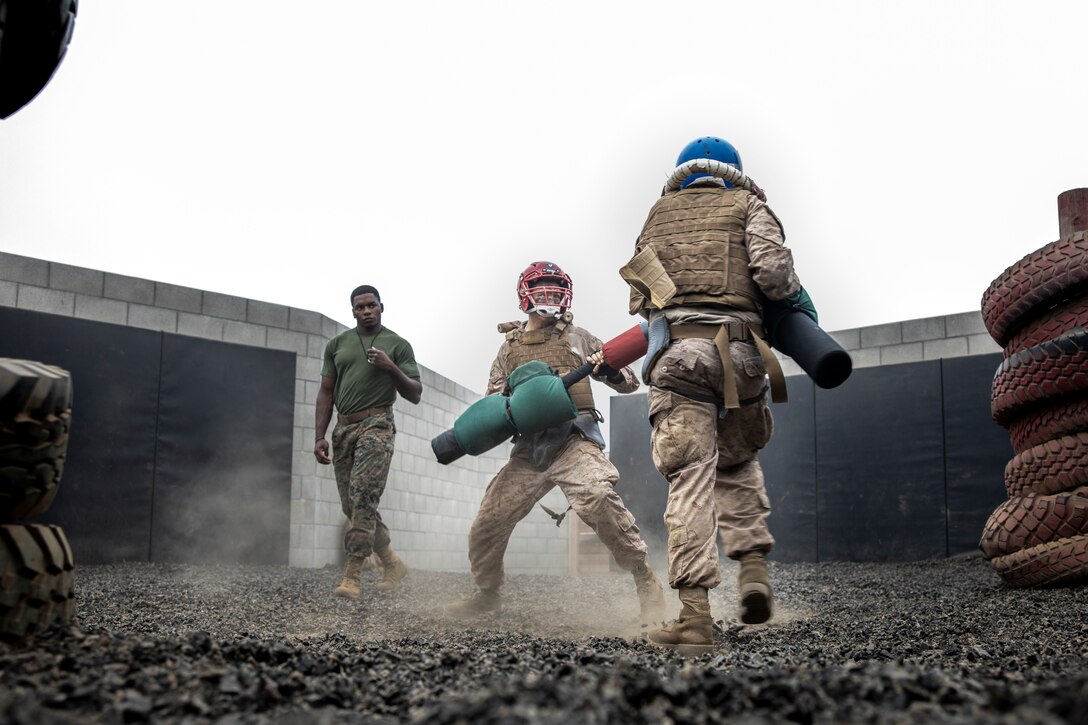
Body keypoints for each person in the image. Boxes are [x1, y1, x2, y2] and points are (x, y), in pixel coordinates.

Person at [620, 136, 815, 655]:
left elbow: (639, 297)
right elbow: (775, 278)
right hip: (745, 360)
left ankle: (695, 619)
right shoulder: (752, 205)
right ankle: (753, 570)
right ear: (735, 171)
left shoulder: (657, 213)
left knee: (691, 479)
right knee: (737, 461)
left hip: (681, 360)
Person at [443, 261, 666, 624]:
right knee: (488, 520)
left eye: (554, 286)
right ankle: (488, 594)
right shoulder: (508, 350)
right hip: (530, 450)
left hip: (575, 440)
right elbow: (494, 401)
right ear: (524, 294)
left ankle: (645, 581)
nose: (549, 294)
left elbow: (629, 382)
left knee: (596, 496)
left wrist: (606, 368)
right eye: (541, 286)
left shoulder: (579, 338)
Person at [315, 285, 423, 599]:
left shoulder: (398, 345)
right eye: (360, 307)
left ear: (381, 307)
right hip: (343, 429)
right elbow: (325, 391)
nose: (366, 311)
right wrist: (320, 435)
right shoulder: (337, 344)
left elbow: (415, 394)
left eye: (371, 306)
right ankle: (392, 563)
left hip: (377, 425)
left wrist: (390, 367)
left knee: (362, 496)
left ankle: (352, 576)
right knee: (352, 504)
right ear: (353, 311)